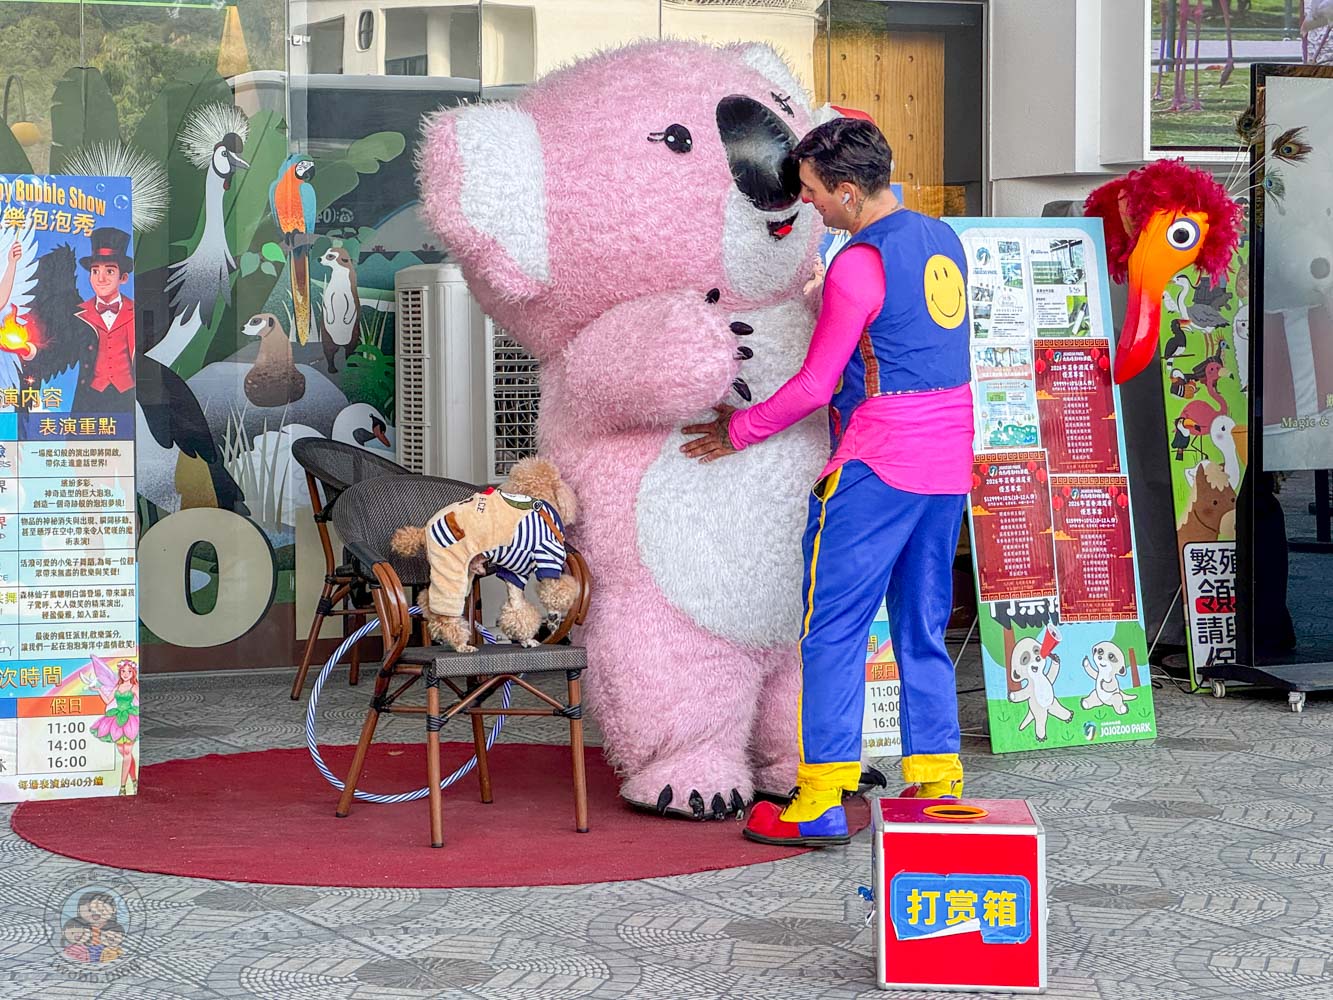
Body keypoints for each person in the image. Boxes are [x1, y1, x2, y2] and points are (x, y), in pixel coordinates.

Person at [682, 117, 974, 847]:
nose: (807, 204)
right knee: (922, 625)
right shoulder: (939, 239)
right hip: (945, 465)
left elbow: (815, 384)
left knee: (833, 630)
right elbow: (902, 336)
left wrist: (736, 431)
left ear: (846, 192)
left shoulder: (856, 263)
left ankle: (817, 800)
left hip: (877, 467)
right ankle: (937, 782)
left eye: (813, 193)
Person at [74, 227, 136, 413]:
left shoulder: (136, 311)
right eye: (95, 271)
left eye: (109, 271)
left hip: (128, 397)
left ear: (123, 278)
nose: (100, 278)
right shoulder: (78, 315)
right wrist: (29, 350)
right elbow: (58, 348)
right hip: (89, 398)